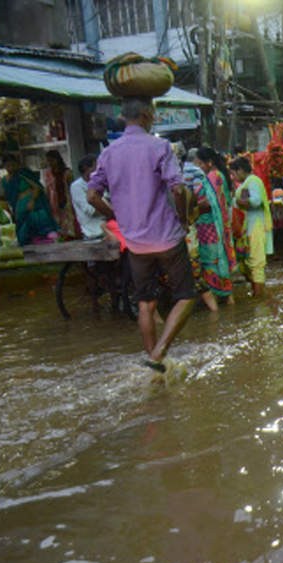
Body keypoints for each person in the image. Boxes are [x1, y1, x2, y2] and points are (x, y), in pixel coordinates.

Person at [86, 96, 196, 372]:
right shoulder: (160, 147)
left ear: (123, 118)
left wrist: (116, 216)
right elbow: (179, 189)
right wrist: (183, 218)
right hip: (167, 236)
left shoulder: (109, 152)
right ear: (147, 116)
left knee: (145, 302)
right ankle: (158, 354)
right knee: (186, 295)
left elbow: (92, 196)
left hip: (135, 242)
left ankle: (152, 363)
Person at [188, 147, 237, 311]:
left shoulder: (212, 177)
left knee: (212, 261)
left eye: (201, 163)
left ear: (209, 162)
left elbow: (210, 202)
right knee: (218, 259)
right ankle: (228, 299)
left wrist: (193, 204)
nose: (199, 167)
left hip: (210, 227)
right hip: (215, 227)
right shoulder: (220, 176)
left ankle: (222, 298)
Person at [230, 156, 273, 297]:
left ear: (240, 170)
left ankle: (258, 297)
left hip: (257, 225)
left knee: (256, 262)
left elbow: (255, 201)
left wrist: (238, 200)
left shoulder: (253, 182)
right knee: (245, 261)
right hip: (249, 225)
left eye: (234, 173)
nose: (233, 177)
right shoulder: (247, 183)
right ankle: (258, 291)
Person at [0, 154, 59, 246]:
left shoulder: (23, 173)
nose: (10, 167)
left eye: (12, 165)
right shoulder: (4, 180)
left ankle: (46, 238)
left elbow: (37, 187)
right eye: (7, 166)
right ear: (4, 167)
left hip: (31, 205)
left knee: (37, 221)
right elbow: (2, 195)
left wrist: (32, 200)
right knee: (23, 229)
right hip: (18, 207)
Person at [43, 150, 80, 238]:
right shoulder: (48, 173)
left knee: (68, 221)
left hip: (66, 201)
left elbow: (72, 187)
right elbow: (47, 188)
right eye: (48, 160)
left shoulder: (67, 173)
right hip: (53, 203)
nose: (50, 163)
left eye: (51, 160)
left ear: (57, 159)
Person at [69, 154, 107, 240]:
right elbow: (90, 210)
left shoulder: (99, 184)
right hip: (93, 234)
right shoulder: (77, 186)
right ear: (87, 169)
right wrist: (111, 211)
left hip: (107, 231)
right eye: (95, 167)